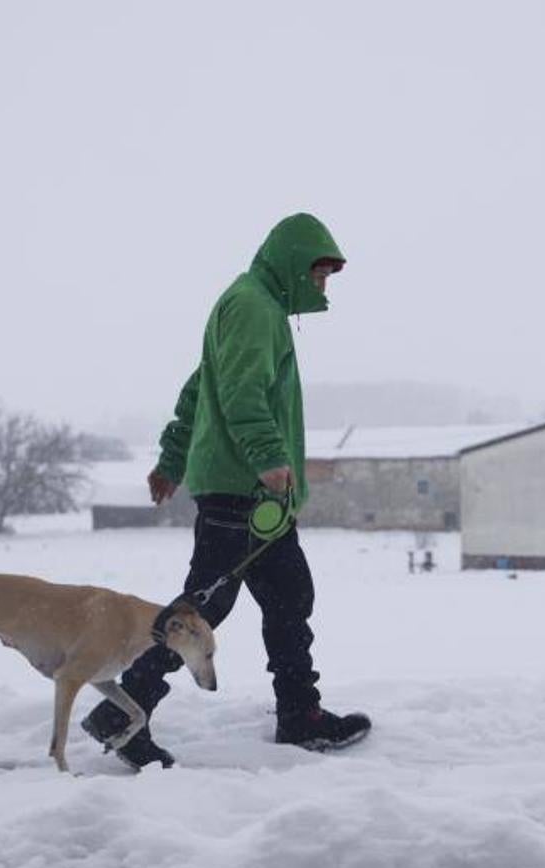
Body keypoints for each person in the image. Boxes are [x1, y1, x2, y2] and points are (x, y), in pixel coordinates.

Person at [82, 212, 372, 769]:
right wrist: (268, 459)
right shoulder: (254, 307)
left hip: (253, 496)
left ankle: (299, 715)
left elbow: (199, 389)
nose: (323, 285)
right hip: (245, 490)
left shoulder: (250, 304)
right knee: (203, 608)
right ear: (292, 262)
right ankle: (123, 711)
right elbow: (239, 392)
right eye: (319, 272)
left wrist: (172, 457)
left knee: (288, 599)